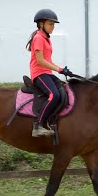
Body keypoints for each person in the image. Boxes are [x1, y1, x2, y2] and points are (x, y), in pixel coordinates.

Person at [25, 8, 73, 137]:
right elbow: (40, 61)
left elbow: (48, 60)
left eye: (53, 24)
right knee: (54, 95)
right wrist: (59, 69)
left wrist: (62, 70)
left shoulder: (46, 39)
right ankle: (38, 125)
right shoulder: (38, 38)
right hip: (39, 73)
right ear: (41, 24)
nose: (53, 27)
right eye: (50, 24)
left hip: (47, 73)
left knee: (65, 89)